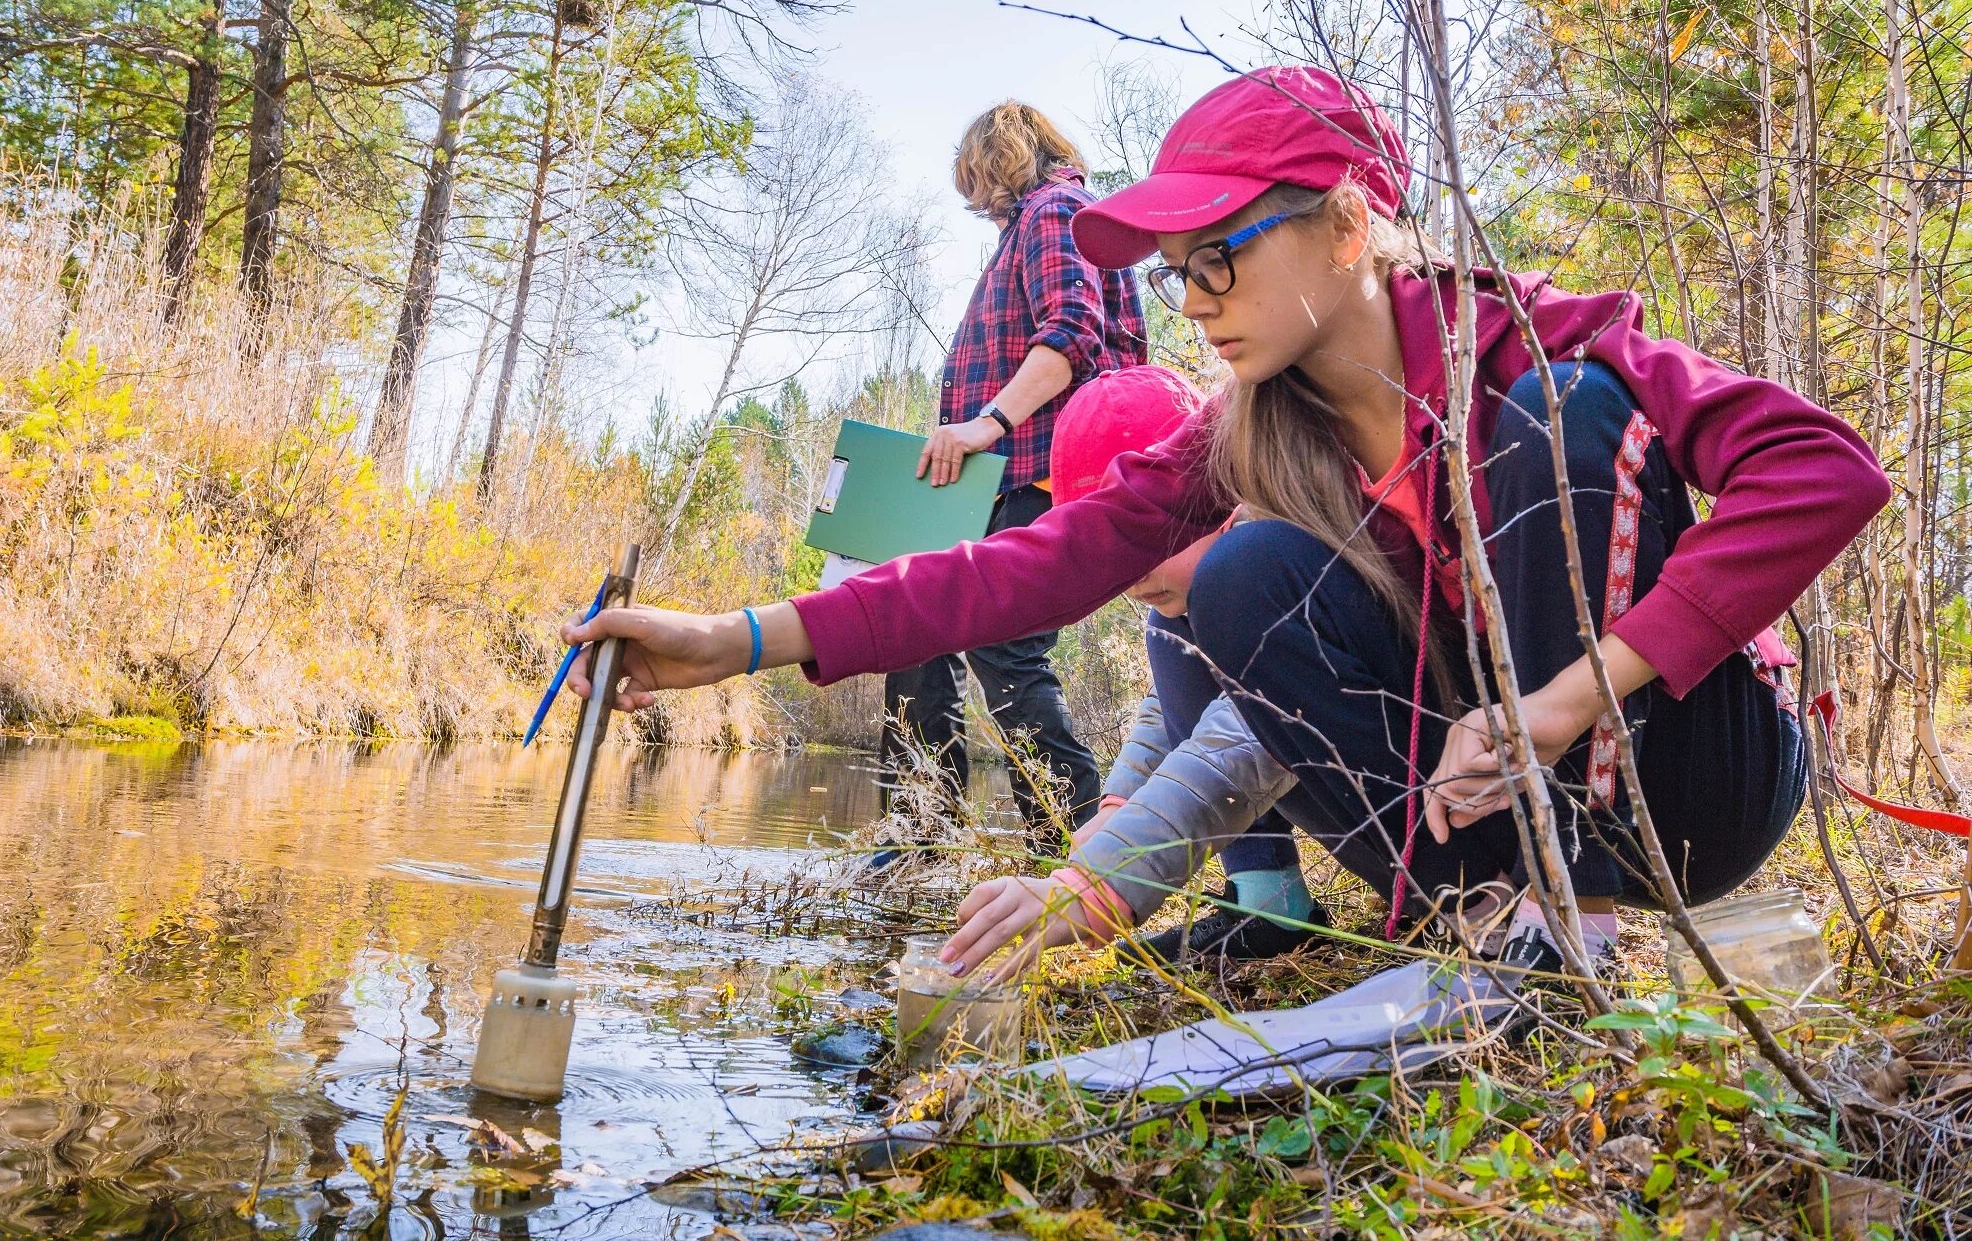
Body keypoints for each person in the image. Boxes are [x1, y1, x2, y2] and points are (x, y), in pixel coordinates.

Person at [561, 67, 1890, 988]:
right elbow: (1033, 565)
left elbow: (1827, 473)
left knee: (1563, 417)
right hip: (1489, 810)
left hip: (1697, 782)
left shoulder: (1531, 342)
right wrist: (736, 638)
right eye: (1176, 271)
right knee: (1251, 575)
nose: (1192, 299)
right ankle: (1490, 921)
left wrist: (1571, 695)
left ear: (1348, 225)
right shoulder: (1253, 426)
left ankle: (1574, 924)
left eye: (1221, 255)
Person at [877, 101, 1147, 859]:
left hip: (1043, 471)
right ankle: (919, 834)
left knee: (1003, 647)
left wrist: (983, 424)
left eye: (978, 184)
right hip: (989, 482)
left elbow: (1070, 333)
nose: (978, 203)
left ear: (999, 158)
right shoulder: (1026, 228)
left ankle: (1077, 849)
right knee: (915, 624)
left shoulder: (1057, 208)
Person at [1049, 364, 1329, 965]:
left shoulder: (1284, 557)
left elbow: (1244, 733)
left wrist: (1118, 874)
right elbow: (1175, 707)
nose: (1130, 573)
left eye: (1148, 537)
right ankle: (1269, 902)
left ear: (1220, 494)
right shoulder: (1184, 608)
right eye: (1111, 549)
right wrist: (1119, 806)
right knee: (1170, 629)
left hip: (1444, 828)